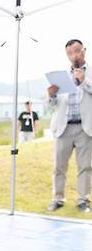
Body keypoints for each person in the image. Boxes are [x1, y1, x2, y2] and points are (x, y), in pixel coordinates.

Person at [46, 39, 92, 213]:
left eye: (77, 51)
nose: (74, 55)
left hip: (85, 128)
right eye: (70, 53)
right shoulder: (61, 75)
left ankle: (83, 200)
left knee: (85, 167)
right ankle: (57, 198)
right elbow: (52, 105)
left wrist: (84, 81)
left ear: (84, 51)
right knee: (59, 167)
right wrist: (51, 95)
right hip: (63, 127)